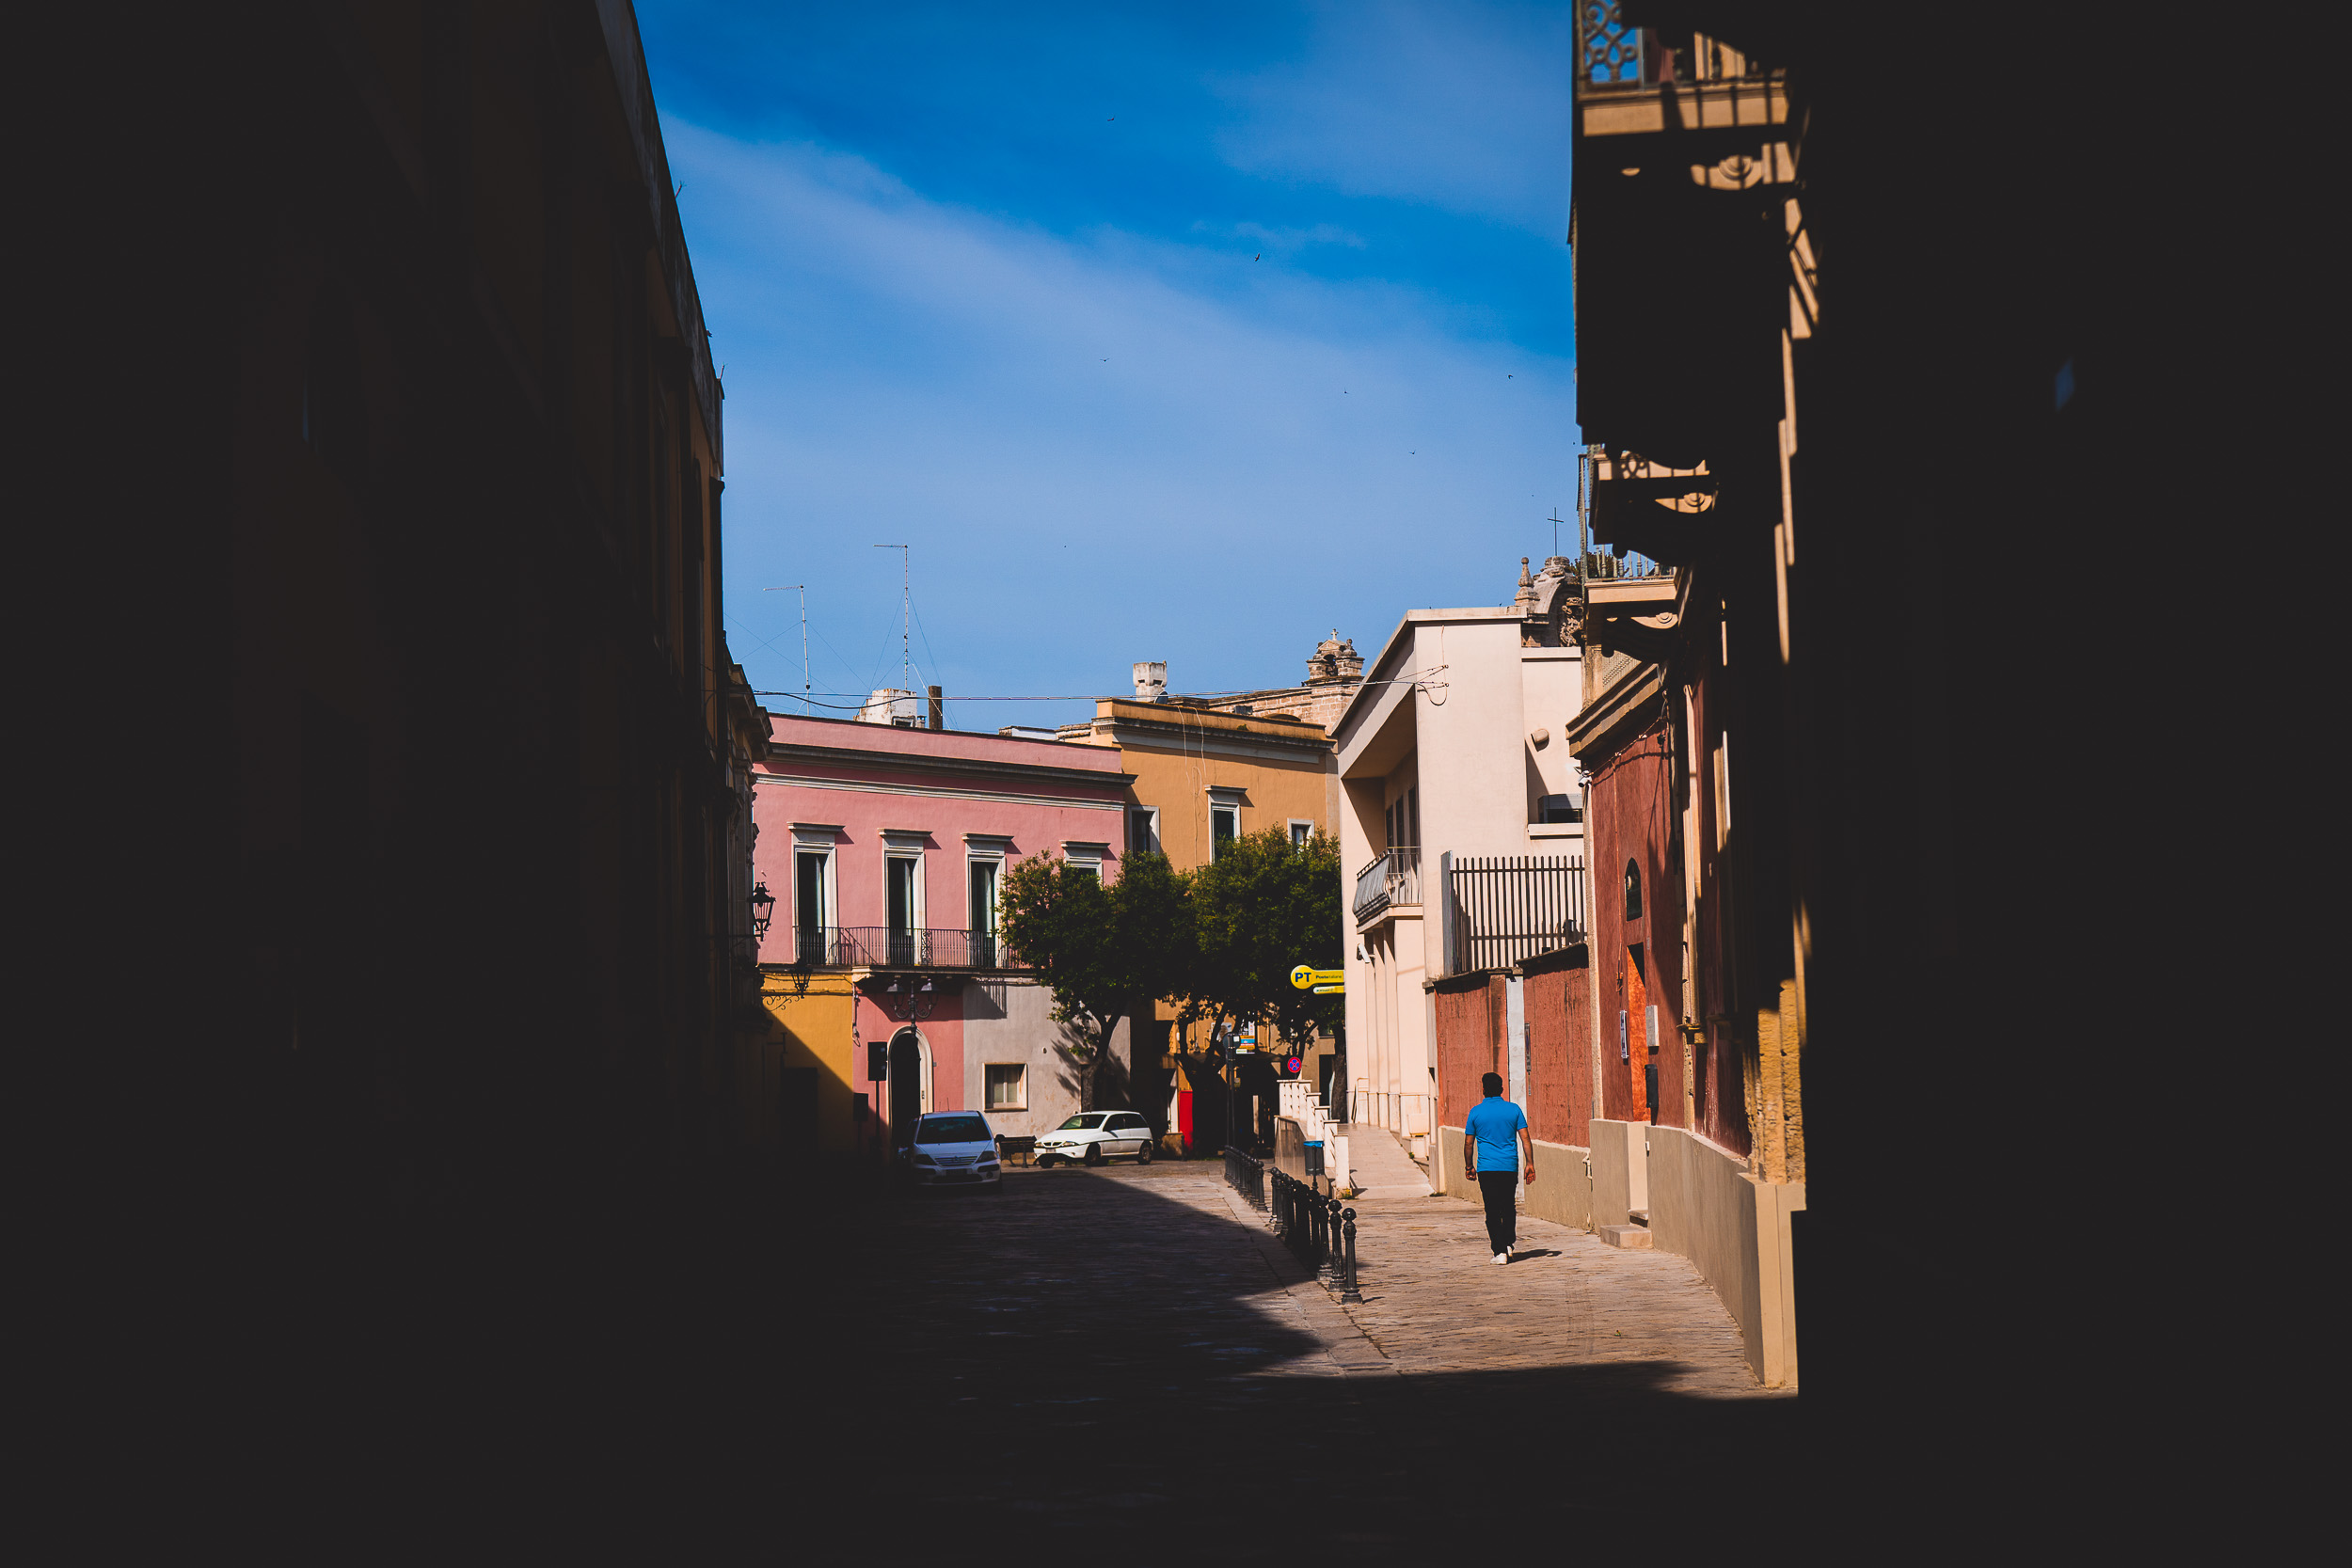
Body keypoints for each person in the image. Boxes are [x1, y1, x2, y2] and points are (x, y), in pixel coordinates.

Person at [1462, 1071, 1534, 1263]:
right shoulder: (1514, 1109)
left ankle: (1500, 1251)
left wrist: (1469, 1166)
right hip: (1509, 1166)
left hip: (1486, 1168)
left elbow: (1469, 1143)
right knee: (1508, 1207)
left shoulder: (1475, 1112)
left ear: (1483, 1090)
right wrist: (1530, 1163)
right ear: (1502, 1089)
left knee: (1492, 1210)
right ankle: (1509, 1243)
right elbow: (1525, 1138)